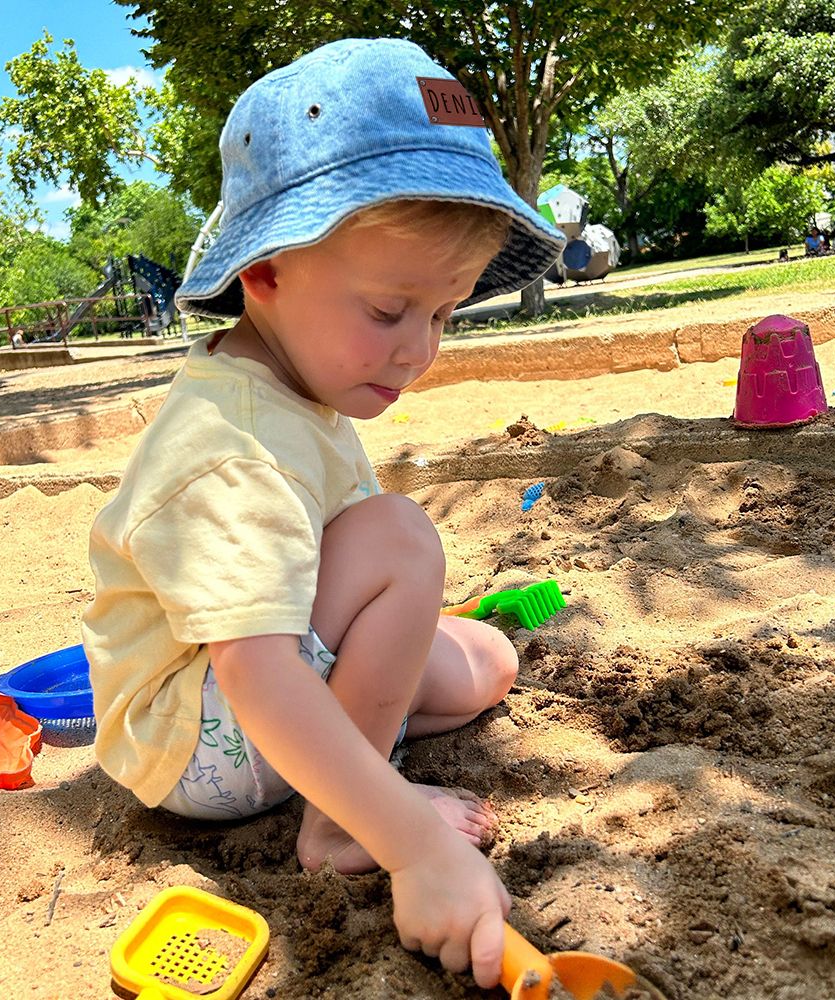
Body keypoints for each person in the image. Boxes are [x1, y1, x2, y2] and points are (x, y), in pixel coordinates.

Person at [81, 37, 564, 989]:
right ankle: (341, 820)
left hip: (253, 696)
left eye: (445, 312)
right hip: (195, 737)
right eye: (390, 311)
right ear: (263, 273)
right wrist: (412, 849)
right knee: (399, 538)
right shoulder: (228, 442)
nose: (420, 349)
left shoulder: (307, 384)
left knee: (488, 662)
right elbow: (255, 667)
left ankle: (352, 760)